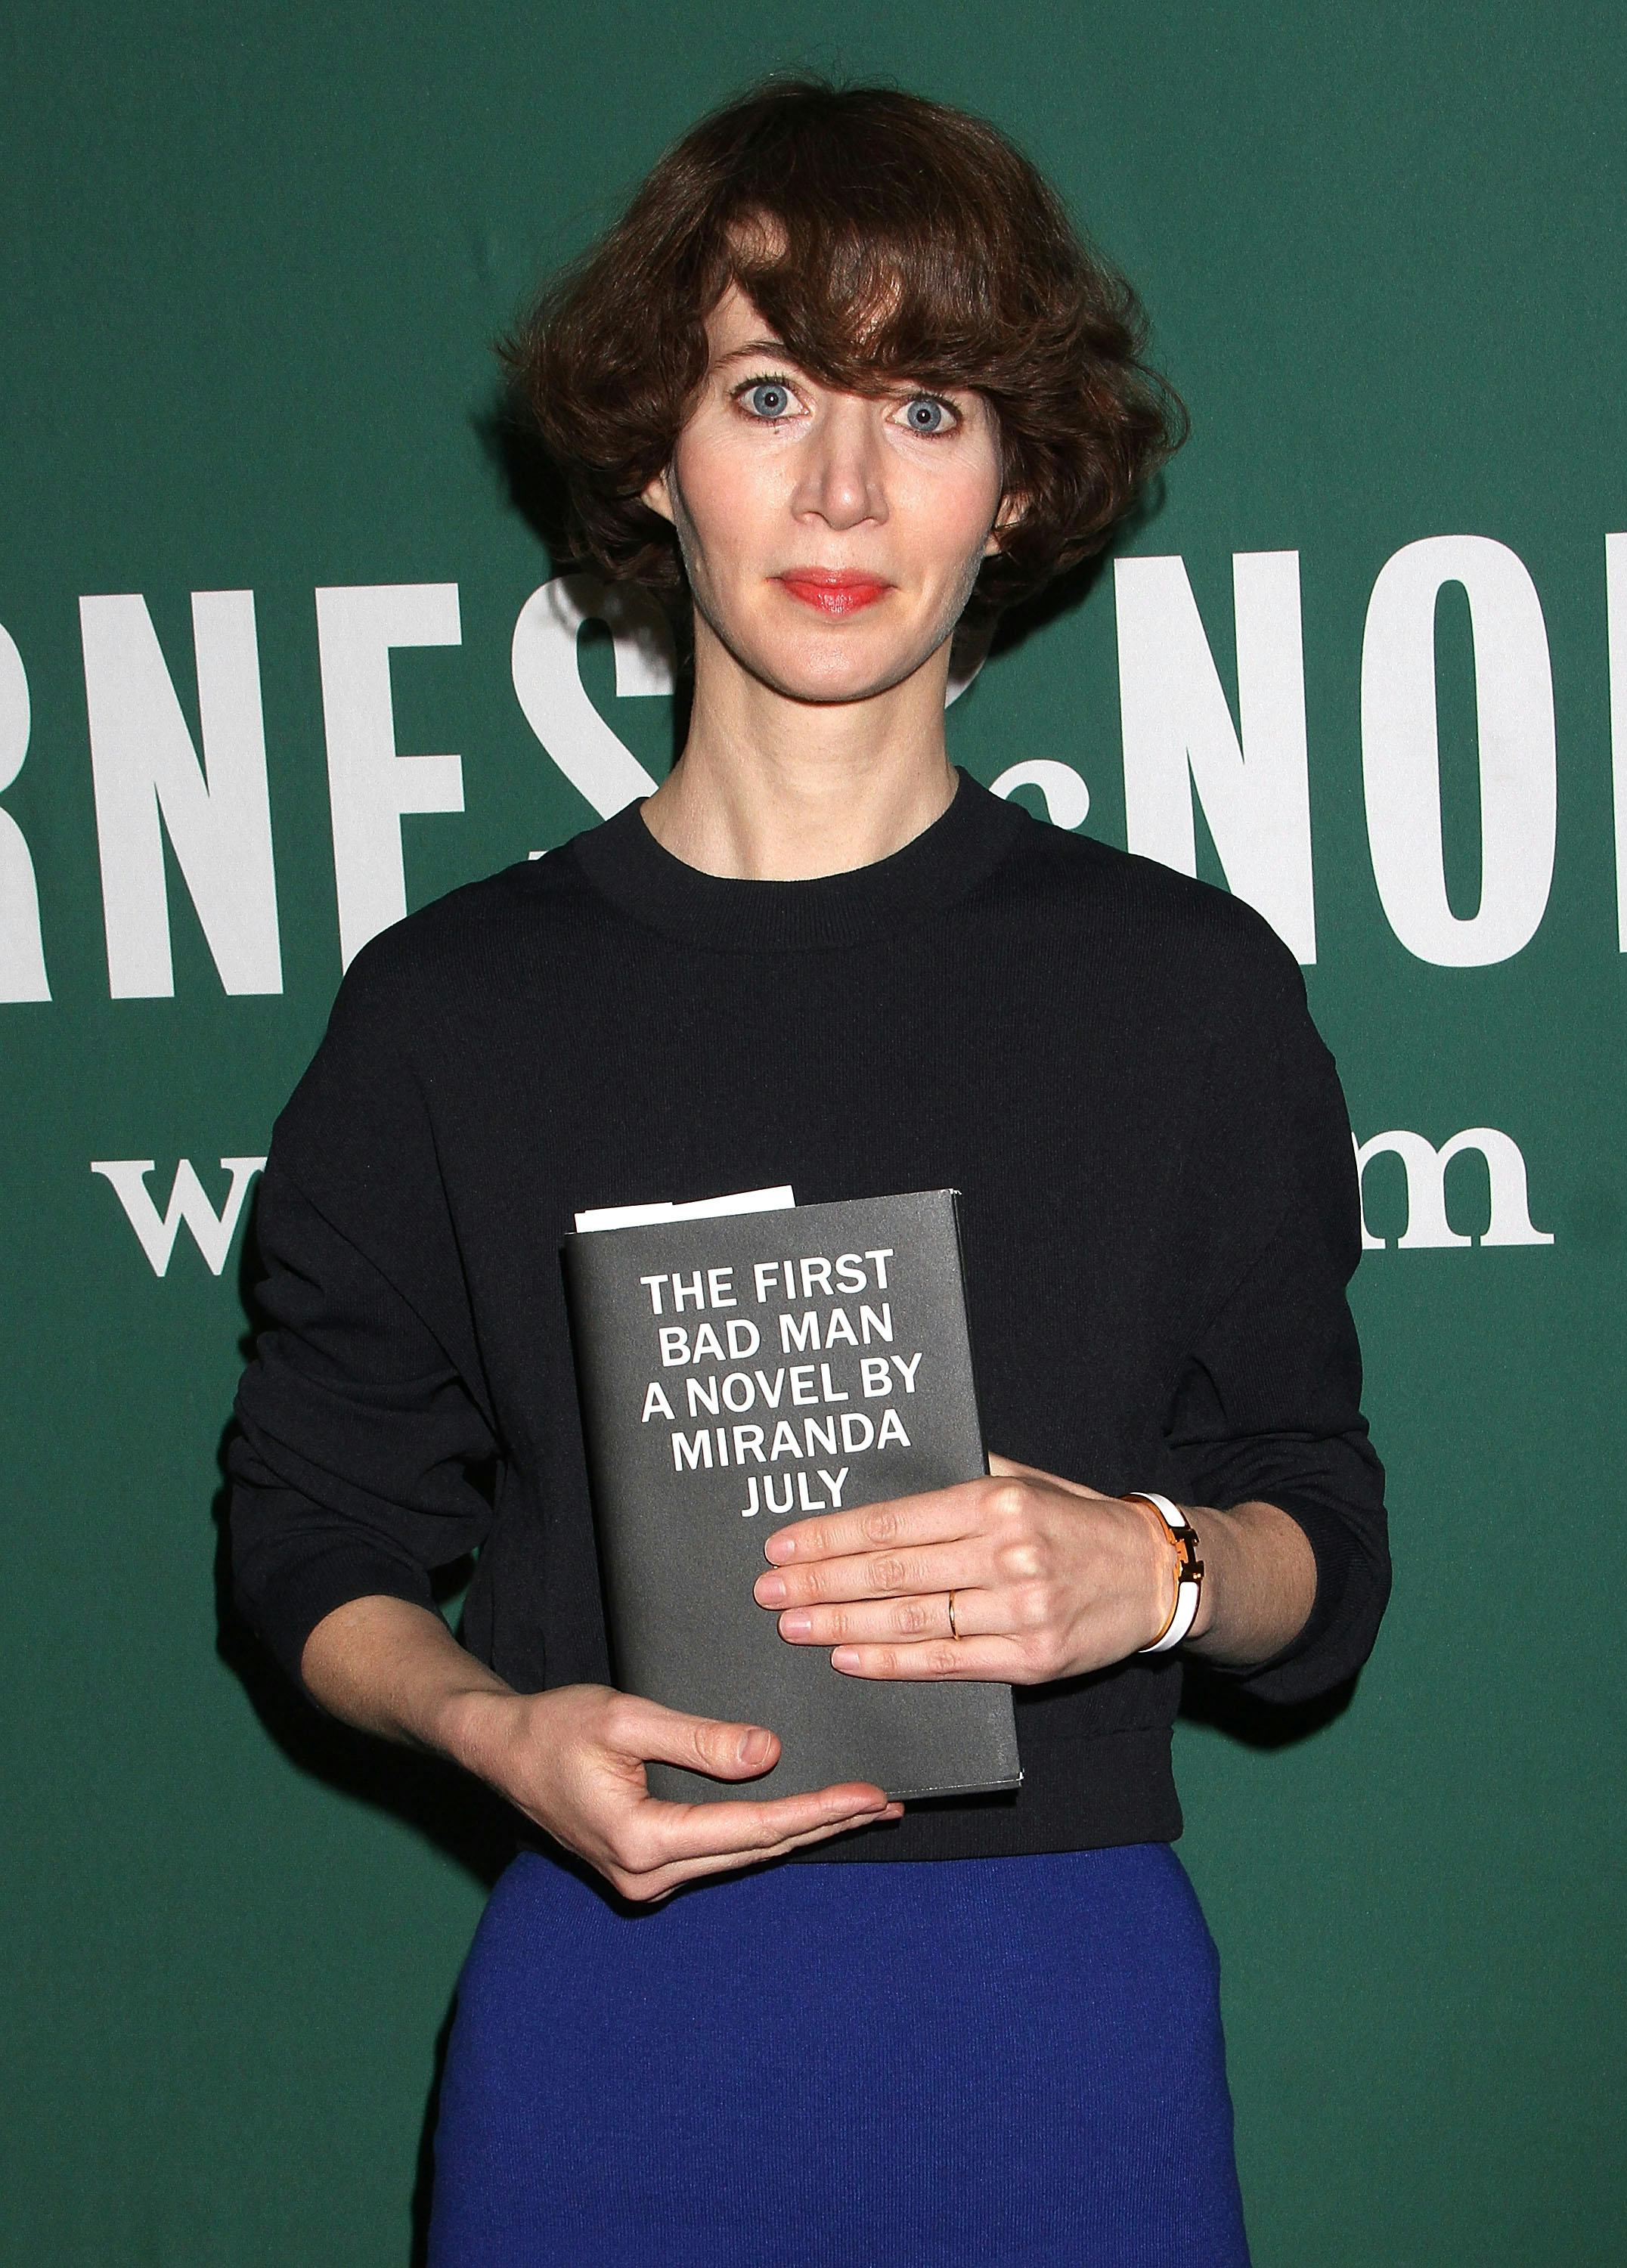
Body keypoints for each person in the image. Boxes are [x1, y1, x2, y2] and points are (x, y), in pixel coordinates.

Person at [228, 76, 1391, 2268]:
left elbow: (1316, 1548)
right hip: (614, 2032)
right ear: (652, 453)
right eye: (770, 393)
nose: (843, 488)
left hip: (1057, 2037)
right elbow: (311, 1534)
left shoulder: (1184, 990)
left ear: (1015, 483)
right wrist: (492, 1730)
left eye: (925, 407)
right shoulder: (450, 1014)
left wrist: (1149, 1572)